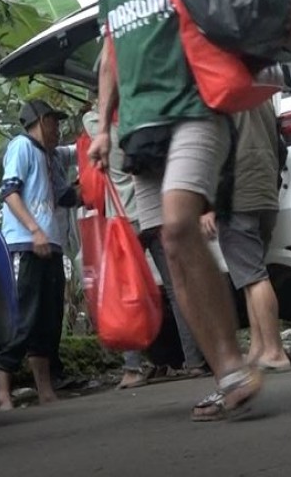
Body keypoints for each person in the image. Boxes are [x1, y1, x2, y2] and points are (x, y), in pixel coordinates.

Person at [83, 0, 291, 421]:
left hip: (196, 111)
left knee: (183, 226)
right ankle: (227, 374)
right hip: (139, 132)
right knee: (175, 254)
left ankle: (236, 363)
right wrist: (105, 124)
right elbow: (112, 49)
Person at [82, 93, 209, 388]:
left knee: (127, 290)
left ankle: (132, 369)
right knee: (179, 289)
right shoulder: (141, 121)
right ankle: (193, 361)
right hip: (153, 211)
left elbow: (91, 118)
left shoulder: (96, 124)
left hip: (123, 221)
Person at [202, 101, 291, 373]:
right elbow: (281, 146)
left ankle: (275, 351)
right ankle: (258, 347)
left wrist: (208, 204)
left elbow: (213, 151)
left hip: (237, 195)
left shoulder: (219, 96)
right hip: (265, 190)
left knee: (253, 276)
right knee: (250, 274)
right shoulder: (260, 97)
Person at [0, 99, 68, 411]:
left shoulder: (48, 157)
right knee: (23, 317)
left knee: (48, 321)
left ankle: (45, 389)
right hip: (26, 242)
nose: (58, 129)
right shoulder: (21, 147)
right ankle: (2, 393)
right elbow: (9, 191)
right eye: (54, 122)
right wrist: (34, 229)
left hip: (50, 243)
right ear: (40, 120)